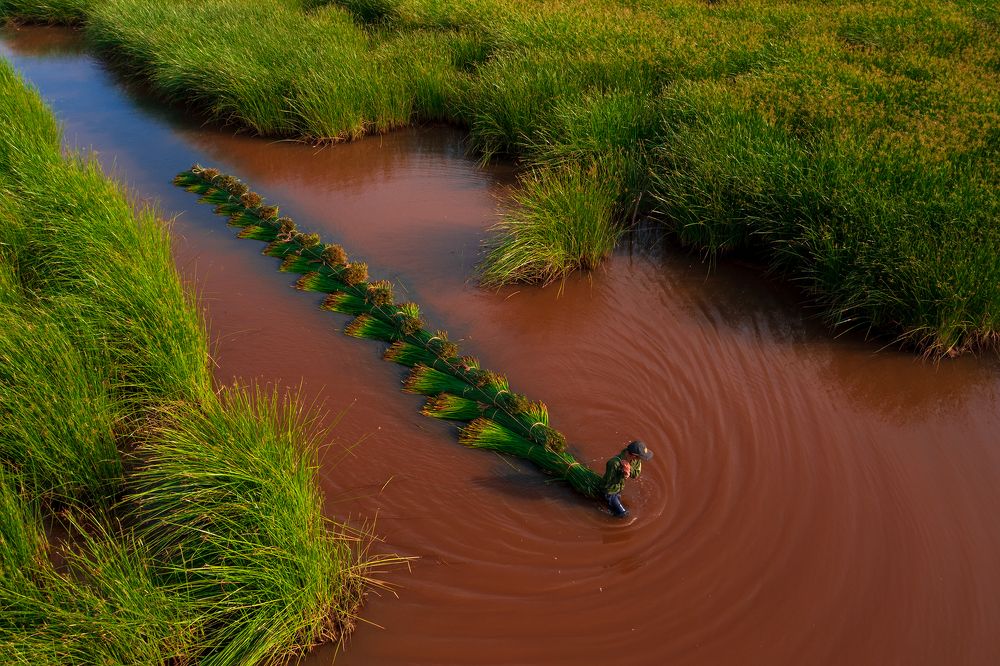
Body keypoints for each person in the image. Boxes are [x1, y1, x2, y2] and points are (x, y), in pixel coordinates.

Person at [603, 440, 653, 517]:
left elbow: (635, 474)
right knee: (623, 514)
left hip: (620, 488)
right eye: (640, 457)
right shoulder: (613, 463)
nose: (640, 460)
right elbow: (609, 482)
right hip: (611, 490)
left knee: (617, 502)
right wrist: (623, 472)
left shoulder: (636, 460)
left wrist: (629, 469)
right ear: (634, 455)